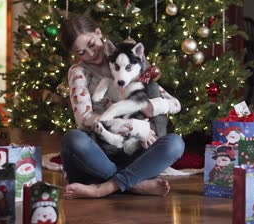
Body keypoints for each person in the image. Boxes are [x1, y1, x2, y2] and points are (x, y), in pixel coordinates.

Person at [60, 15, 185, 199]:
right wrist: (133, 125)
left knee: (175, 144)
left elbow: (175, 103)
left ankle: (103, 188)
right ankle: (135, 183)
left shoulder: (129, 59)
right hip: (101, 152)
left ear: (98, 32)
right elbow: (84, 119)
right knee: (73, 139)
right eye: (81, 53)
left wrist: (150, 106)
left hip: (136, 151)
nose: (91, 54)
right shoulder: (79, 73)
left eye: (92, 44)